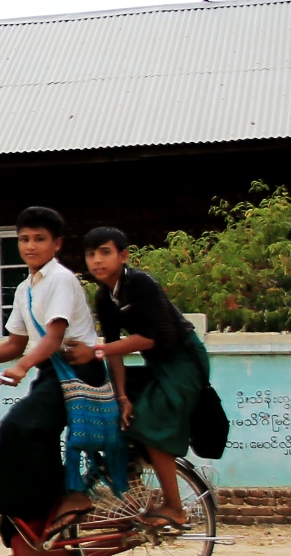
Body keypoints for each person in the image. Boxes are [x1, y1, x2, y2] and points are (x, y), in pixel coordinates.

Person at [0, 206, 106, 556]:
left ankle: (64, 503)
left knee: (21, 426)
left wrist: (23, 367)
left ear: (56, 244)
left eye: (38, 239)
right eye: (23, 239)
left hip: (78, 372)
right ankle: (25, 544)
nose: (30, 246)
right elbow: (16, 343)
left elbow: (53, 336)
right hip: (52, 374)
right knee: (22, 434)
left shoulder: (61, 280)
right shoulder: (25, 287)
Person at [82, 225, 209, 528]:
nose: (97, 260)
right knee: (105, 402)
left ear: (123, 256)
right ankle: (135, 488)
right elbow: (115, 352)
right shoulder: (103, 296)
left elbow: (149, 339)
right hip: (157, 364)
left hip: (184, 361)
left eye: (105, 252)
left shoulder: (140, 283)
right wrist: (121, 395)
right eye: (90, 255)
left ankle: (175, 508)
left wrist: (98, 349)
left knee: (152, 420)